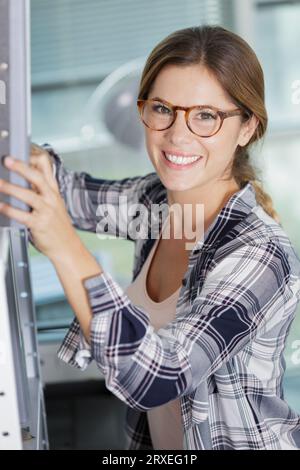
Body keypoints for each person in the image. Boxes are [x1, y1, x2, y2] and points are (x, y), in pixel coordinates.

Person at [1, 25, 300, 450]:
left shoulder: (259, 253)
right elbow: (64, 191)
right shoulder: (158, 204)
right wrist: (15, 145)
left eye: (206, 116)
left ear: (247, 127)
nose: (178, 135)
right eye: (163, 109)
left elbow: (158, 377)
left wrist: (65, 245)